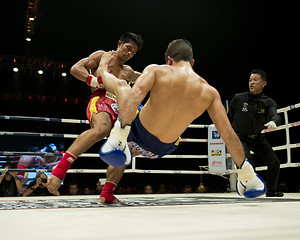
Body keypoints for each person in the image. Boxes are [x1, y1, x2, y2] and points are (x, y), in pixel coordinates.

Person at [97, 39, 266, 203]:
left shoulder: (156, 71)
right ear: (192, 62)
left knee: (124, 88)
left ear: (169, 60)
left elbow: (135, 97)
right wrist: (244, 170)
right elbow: (227, 133)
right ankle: (248, 177)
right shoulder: (210, 92)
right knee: (129, 150)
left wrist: (104, 66)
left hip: (138, 132)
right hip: (164, 148)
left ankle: (117, 138)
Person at [47, 32, 144, 195]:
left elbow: (145, 78)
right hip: (101, 100)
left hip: (121, 106)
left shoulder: (128, 71)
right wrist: (93, 80)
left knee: (127, 149)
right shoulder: (102, 56)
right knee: (102, 129)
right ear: (119, 44)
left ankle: (107, 194)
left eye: (133, 52)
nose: (129, 54)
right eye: (128, 48)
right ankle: (60, 170)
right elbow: (75, 68)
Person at [227, 69, 283, 197]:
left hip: (258, 138)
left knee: (274, 162)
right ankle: (251, 189)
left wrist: (274, 122)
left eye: (255, 80)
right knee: (248, 163)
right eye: (250, 80)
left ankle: (270, 191)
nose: (251, 83)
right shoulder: (239, 98)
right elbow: (228, 117)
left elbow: (275, 115)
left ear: (263, 83)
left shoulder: (268, 102)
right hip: (240, 137)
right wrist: (229, 136)